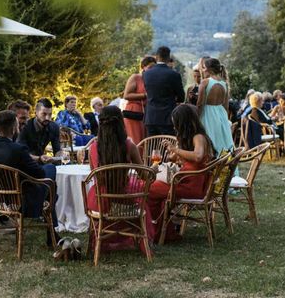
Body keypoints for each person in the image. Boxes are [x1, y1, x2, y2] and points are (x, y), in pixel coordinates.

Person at [0, 110, 59, 246]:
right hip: (21, 202)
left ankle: (53, 231)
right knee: (50, 174)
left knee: (50, 188)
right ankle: (52, 231)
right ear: (14, 127)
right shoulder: (17, 149)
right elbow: (39, 174)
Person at [86, 105, 153, 252]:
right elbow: (144, 176)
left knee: (96, 191)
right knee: (142, 197)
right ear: (121, 123)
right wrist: (152, 171)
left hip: (100, 200)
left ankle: (102, 236)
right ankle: (138, 237)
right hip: (125, 198)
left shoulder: (93, 147)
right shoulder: (129, 145)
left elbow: (95, 174)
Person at [148, 104, 215, 243]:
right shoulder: (193, 137)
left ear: (183, 122)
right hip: (185, 181)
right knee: (154, 190)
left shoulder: (199, 137)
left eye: (176, 123)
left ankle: (158, 230)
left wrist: (176, 150)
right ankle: (164, 231)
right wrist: (174, 155)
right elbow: (190, 161)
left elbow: (198, 156)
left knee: (148, 189)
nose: (175, 127)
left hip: (192, 187)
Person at [142, 46, 185, 136]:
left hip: (151, 117)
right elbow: (181, 97)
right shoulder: (174, 74)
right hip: (168, 118)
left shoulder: (146, 74)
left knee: (152, 146)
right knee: (168, 147)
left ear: (156, 57)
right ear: (168, 58)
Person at [197, 58, 234, 155]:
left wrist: (196, 118)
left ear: (209, 69)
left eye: (204, 68)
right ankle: (224, 165)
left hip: (207, 115)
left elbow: (200, 103)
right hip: (221, 115)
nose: (203, 70)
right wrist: (225, 121)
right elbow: (226, 106)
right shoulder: (224, 84)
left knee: (209, 142)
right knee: (222, 142)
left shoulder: (205, 82)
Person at [123, 55, 156, 145]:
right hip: (134, 112)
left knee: (146, 141)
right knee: (136, 140)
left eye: (154, 68)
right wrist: (144, 95)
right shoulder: (136, 77)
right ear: (143, 67)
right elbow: (126, 95)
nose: (152, 70)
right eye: (150, 67)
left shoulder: (154, 80)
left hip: (147, 113)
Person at [18, 98, 62, 163]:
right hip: (25, 164)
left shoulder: (54, 127)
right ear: (36, 112)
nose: (47, 118)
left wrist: (59, 157)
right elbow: (23, 154)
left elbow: (57, 150)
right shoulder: (25, 127)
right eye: (44, 114)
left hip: (42, 162)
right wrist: (40, 158)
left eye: (50, 114)